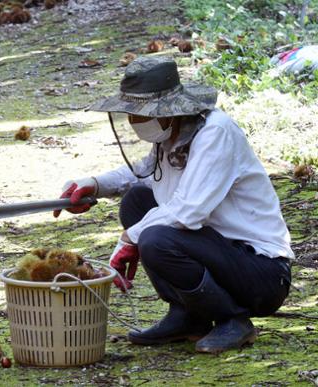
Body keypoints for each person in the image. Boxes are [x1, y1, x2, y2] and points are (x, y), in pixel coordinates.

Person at [54, 56, 293, 354]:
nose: (134, 122)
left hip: (261, 272)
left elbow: (189, 210)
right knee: (136, 203)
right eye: (131, 114)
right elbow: (142, 174)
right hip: (218, 249)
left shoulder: (215, 133)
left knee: (155, 237)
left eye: (141, 114)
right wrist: (94, 184)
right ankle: (188, 316)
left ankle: (233, 320)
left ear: (168, 110)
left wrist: (130, 237)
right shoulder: (171, 135)